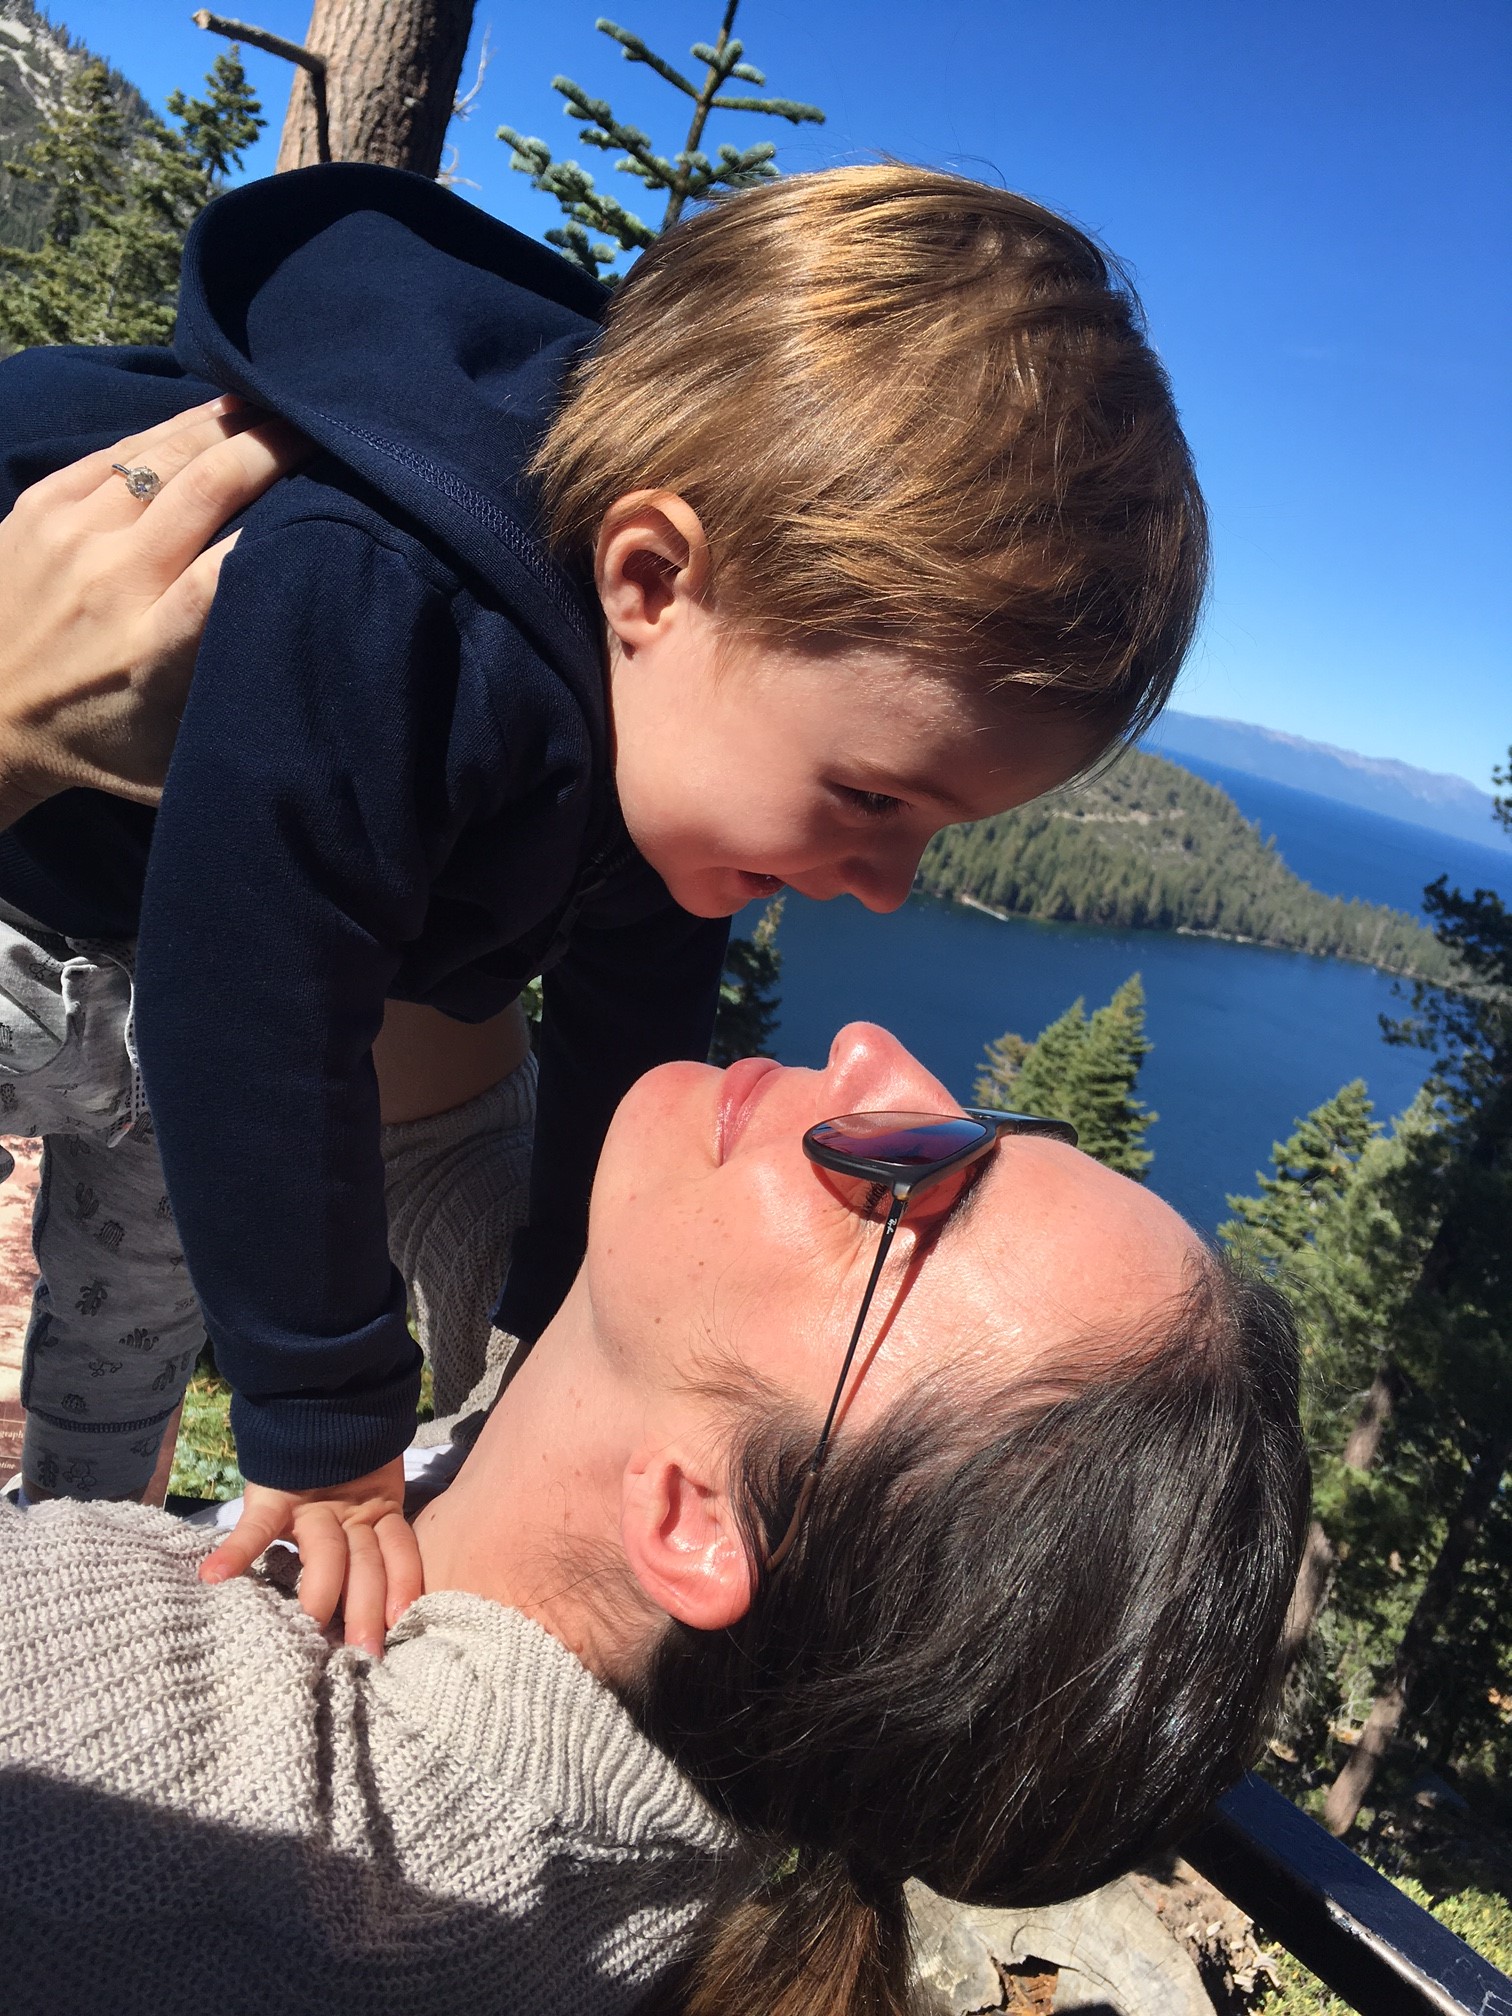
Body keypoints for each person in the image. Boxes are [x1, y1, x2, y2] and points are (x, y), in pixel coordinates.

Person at [0, 162, 1208, 1645]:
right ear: (652, 580)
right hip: (34, 896)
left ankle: (71, 1569)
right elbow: (248, 1010)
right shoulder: (390, 599)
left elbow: (632, 1049)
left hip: (147, 972)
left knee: (129, 1319)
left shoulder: (668, 747)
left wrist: (559, 1312)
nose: (888, 890)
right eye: (871, 797)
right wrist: (330, 1420)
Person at [0, 1022, 1308, 2016]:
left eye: (912, 1177)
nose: (873, 1051)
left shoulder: (102, 1715)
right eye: (991, 1121)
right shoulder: (696, 1745)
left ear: (692, 1524)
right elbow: (445, 1104)